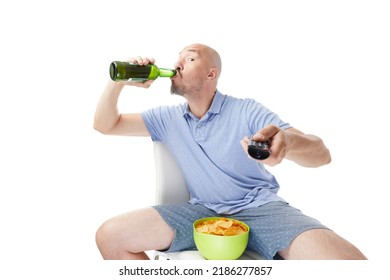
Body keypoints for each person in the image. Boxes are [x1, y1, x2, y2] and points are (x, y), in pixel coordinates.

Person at [93, 43, 367, 260]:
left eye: (189, 58)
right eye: (178, 57)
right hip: (201, 213)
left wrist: (289, 143)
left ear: (212, 73)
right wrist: (120, 82)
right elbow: (106, 125)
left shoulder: (245, 110)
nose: (177, 63)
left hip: (261, 209)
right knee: (110, 236)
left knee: (348, 264)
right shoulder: (166, 119)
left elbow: (322, 154)